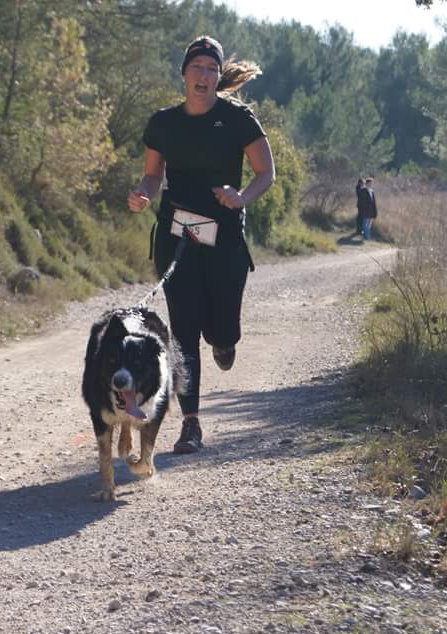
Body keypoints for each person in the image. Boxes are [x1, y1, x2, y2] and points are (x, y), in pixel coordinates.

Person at [128, 35, 276, 454]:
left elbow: (266, 172)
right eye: (197, 67)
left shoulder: (238, 120)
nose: (204, 75)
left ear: (217, 77)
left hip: (224, 235)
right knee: (183, 330)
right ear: (184, 74)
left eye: (212, 69)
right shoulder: (163, 123)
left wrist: (242, 196)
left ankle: (225, 341)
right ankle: (190, 423)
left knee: (221, 328)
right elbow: (153, 175)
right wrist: (143, 192)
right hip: (178, 234)